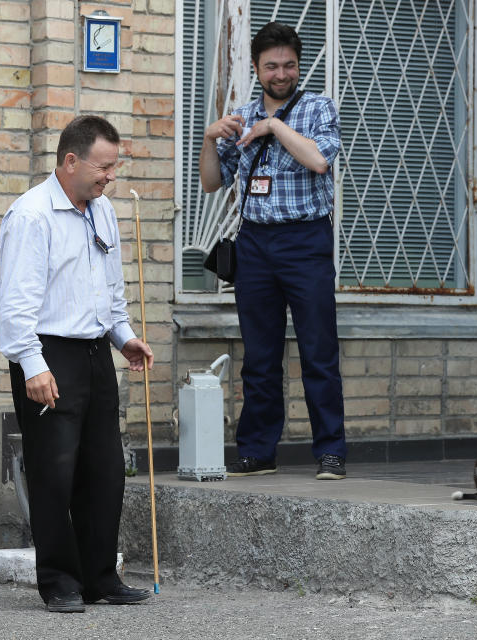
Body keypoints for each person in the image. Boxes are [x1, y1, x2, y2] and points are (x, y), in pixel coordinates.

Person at [0, 115, 153, 613]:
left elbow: (110, 289)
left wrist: (123, 337)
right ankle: (59, 579)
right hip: (47, 352)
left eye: (113, 167)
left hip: (93, 352)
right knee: (54, 472)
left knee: (105, 470)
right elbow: (15, 303)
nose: (110, 177)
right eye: (103, 167)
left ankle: (100, 576)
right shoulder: (32, 215)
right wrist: (33, 365)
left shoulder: (102, 210)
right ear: (70, 161)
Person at [199, 22, 347, 480]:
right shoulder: (240, 116)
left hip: (305, 241)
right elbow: (210, 182)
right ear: (257, 68)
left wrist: (274, 126)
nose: (281, 74)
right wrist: (209, 137)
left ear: (298, 66)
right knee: (259, 356)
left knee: (318, 349)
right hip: (256, 244)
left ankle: (330, 452)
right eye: (271, 66)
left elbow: (319, 160)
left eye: (288, 65)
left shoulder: (319, 108)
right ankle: (258, 450)